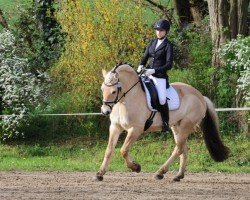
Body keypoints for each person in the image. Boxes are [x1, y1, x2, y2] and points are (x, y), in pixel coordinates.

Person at [137, 19, 173, 131]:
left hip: (159, 76)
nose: (158, 32)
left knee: (162, 99)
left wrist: (154, 70)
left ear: (166, 31)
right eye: (157, 30)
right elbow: (145, 56)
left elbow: (169, 64)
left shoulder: (168, 45)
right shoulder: (152, 42)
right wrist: (140, 65)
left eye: (161, 30)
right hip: (147, 73)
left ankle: (166, 122)